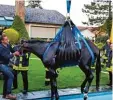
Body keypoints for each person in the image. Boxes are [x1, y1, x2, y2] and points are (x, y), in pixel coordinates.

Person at [0, 34, 20, 99]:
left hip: (6, 64)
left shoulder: (8, 45)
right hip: (1, 65)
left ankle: (4, 95)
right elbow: (6, 57)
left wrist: (18, 51)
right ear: (2, 41)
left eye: (7, 39)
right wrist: (14, 54)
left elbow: (13, 50)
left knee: (6, 79)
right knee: (11, 76)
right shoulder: (1, 48)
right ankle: (8, 94)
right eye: (6, 39)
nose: (7, 40)